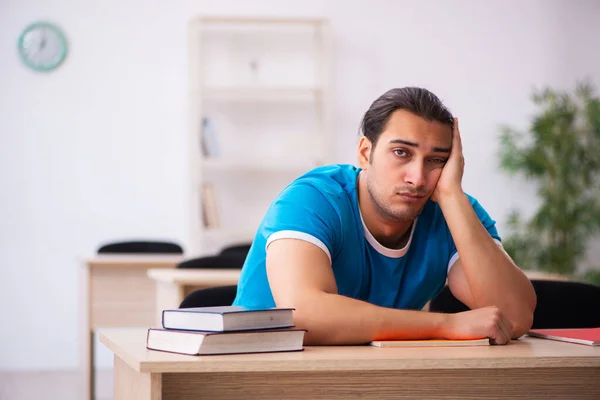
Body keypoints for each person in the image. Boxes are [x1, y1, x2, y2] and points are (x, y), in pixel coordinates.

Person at [232, 87, 537, 345]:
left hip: (373, 376)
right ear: (366, 153)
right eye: (401, 153)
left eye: (436, 160)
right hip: (261, 370)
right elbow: (304, 313)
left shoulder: (453, 209)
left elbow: (513, 316)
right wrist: (445, 325)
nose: (417, 178)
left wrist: (452, 196)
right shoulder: (312, 199)